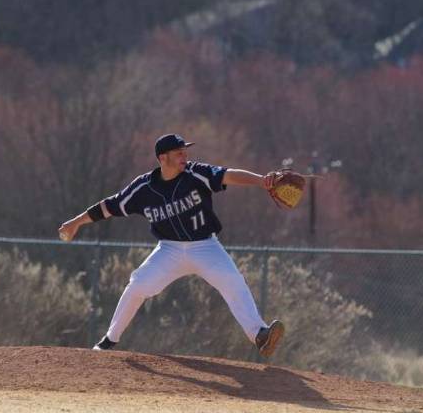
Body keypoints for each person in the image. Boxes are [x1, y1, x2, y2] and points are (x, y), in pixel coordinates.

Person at [58, 133, 284, 357]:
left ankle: (259, 335)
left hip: (205, 246)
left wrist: (261, 180)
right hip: (169, 250)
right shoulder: (143, 188)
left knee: (233, 282)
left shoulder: (195, 173)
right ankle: (109, 341)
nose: (184, 156)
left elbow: (229, 175)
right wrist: (76, 222)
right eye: (179, 153)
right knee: (137, 285)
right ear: (162, 158)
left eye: (185, 151)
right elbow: (110, 206)